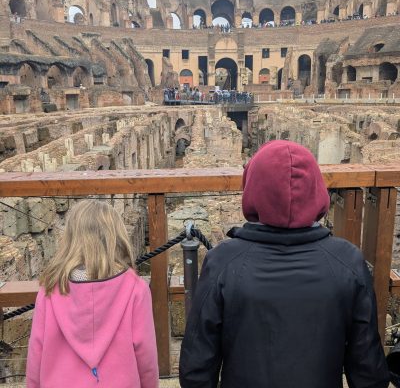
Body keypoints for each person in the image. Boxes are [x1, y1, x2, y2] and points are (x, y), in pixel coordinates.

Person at [180, 140, 390, 388]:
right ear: (316, 190)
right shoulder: (347, 261)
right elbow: (369, 370)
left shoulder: (223, 261)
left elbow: (196, 368)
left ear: (253, 190)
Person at [27, 200, 158, 388]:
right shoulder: (135, 289)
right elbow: (146, 354)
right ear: (116, 236)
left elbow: (36, 352)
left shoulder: (50, 288)